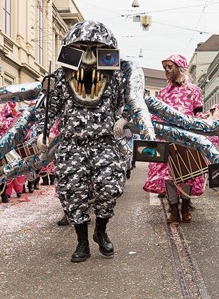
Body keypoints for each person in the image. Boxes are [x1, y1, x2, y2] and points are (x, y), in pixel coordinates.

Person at [34, 20, 128, 262]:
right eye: (81, 47)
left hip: (104, 141)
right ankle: (82, 242)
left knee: (110, 186)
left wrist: (124, 119)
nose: (88, 55)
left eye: (94, 48)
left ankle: (101, 230)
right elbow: (47, 107)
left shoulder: (116, 76)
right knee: (72, 192)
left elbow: (130, 101)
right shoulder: (60, 77)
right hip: (72, 144)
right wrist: (41, 131)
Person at [142, 54, 204, 223]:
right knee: (168, 175)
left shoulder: (194, 91)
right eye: (165, 68)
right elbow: (155, 115)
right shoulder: (162, 93)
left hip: (187, 138)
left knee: (188, 173)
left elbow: (199, 114)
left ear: (180, 67)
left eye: (170, 67)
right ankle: (173, 208)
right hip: (167, 138)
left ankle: (186, 206)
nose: (167, 71)